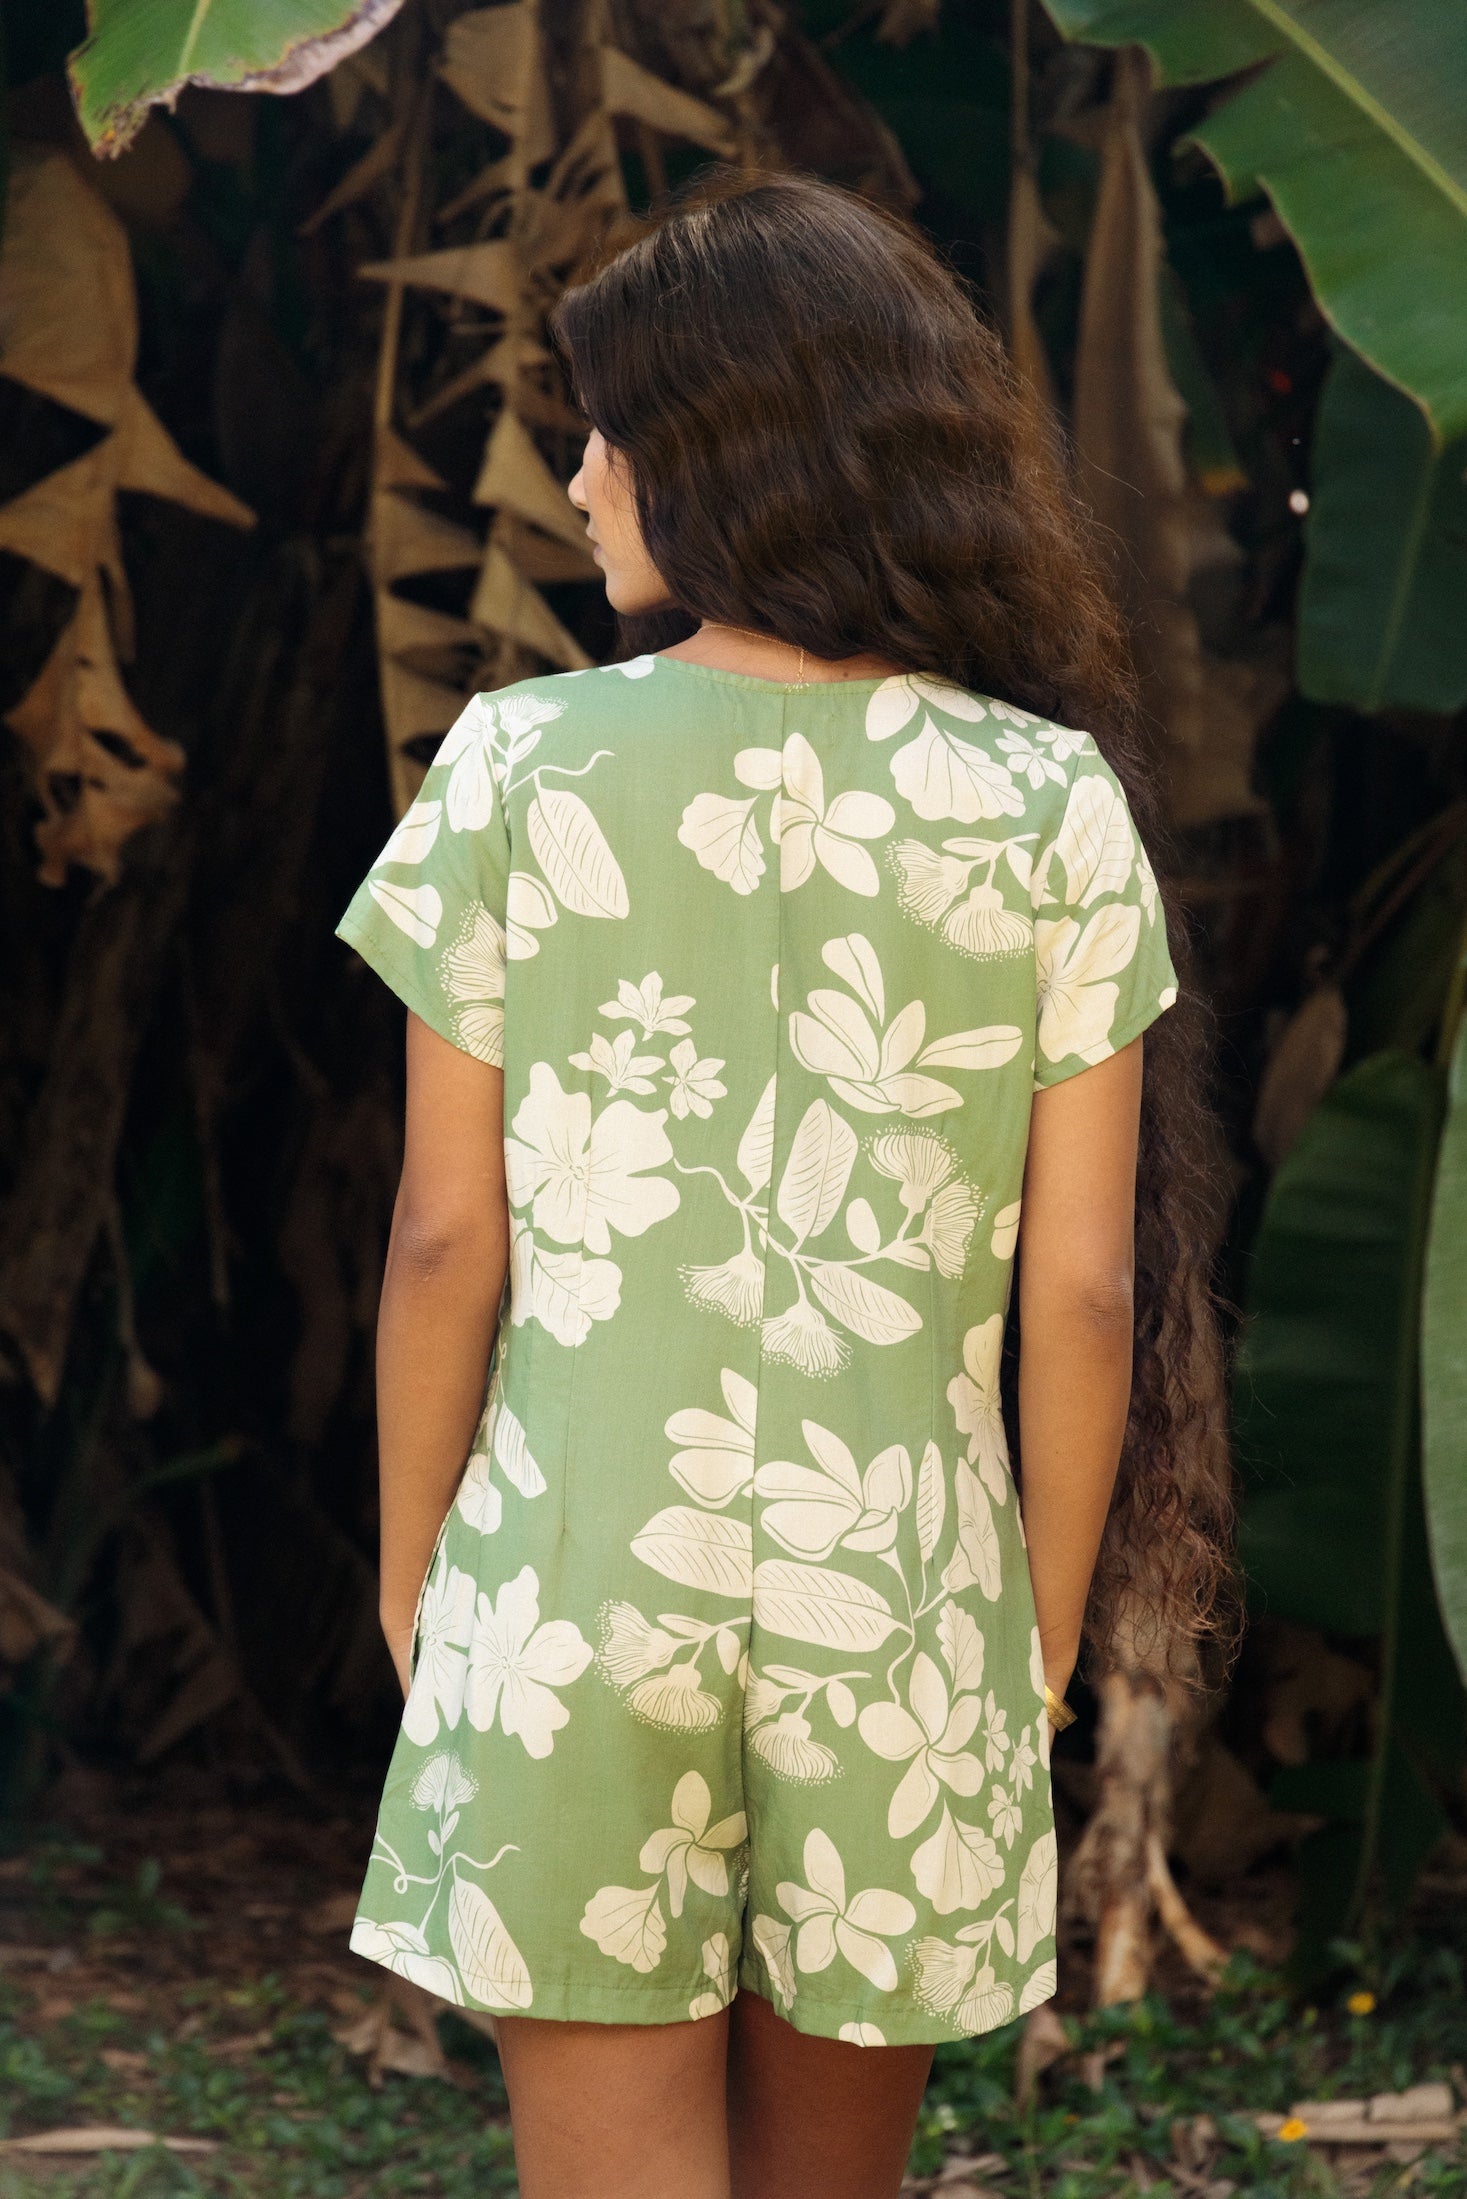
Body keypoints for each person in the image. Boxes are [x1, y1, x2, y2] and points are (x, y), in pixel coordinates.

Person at [336, 171, 1230, 2199]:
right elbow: (1083, 1291)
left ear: (721, 451)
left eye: (607, 428)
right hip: (900, 1599)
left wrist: (409, 1572)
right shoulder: (1044, 801)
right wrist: (1029, 1645)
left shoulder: (516, 768)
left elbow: (443, 1236)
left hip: (575, 1584)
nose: (578, 475)